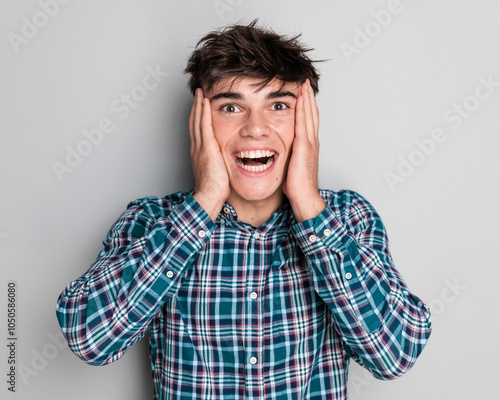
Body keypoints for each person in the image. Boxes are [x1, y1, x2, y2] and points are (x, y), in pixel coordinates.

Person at [56, 20, 432, 399]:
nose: (256, 128)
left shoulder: (347, 219)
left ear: (307, 122)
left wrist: (308, 202)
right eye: (232, 107)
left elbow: (394, 356)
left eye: (279, 105)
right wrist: (205, 200)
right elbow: (91, 340)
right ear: (200, 122)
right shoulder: (152, 223)